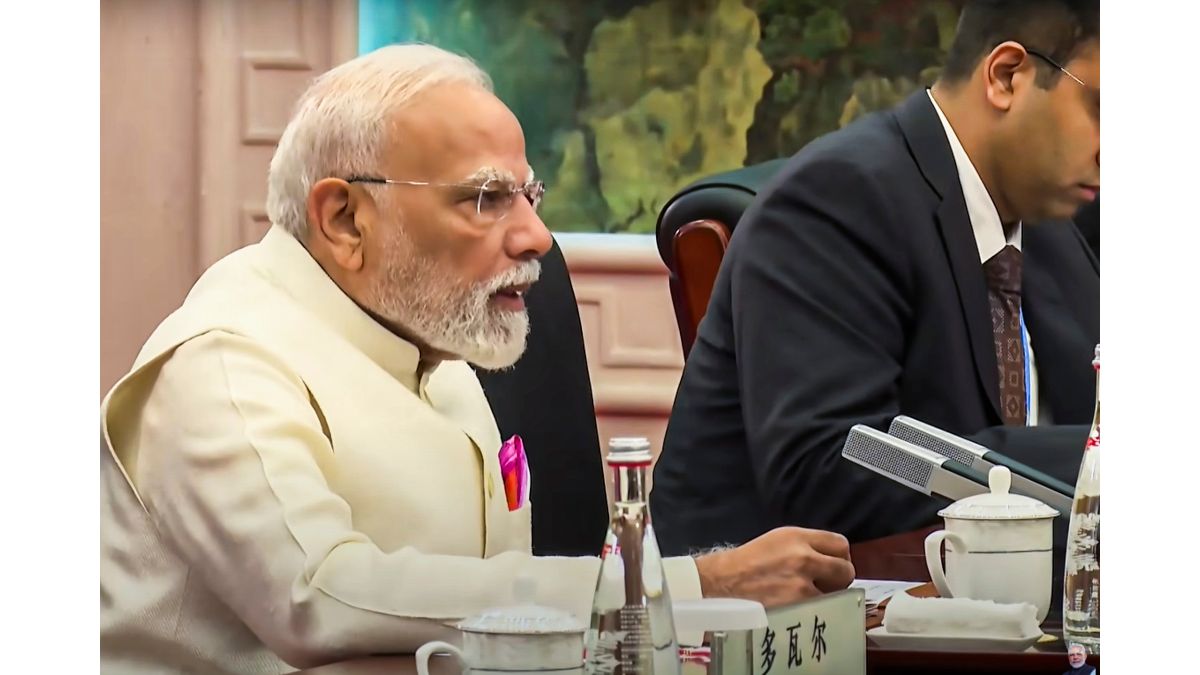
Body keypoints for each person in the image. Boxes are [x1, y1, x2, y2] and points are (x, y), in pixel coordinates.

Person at [99, 45, 855, 674]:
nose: (537, 238)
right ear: (344, 218)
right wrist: (685, 583)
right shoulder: (221, 363)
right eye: (487, 200)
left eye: (530, 196)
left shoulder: (434, 341)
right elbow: (320, 593)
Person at [651, 0, 1100, 554]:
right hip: (803, 614)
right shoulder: (838, 200)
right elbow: (831, 466)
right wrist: (1100, 459)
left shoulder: (1050, 216)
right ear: (1007, 76)